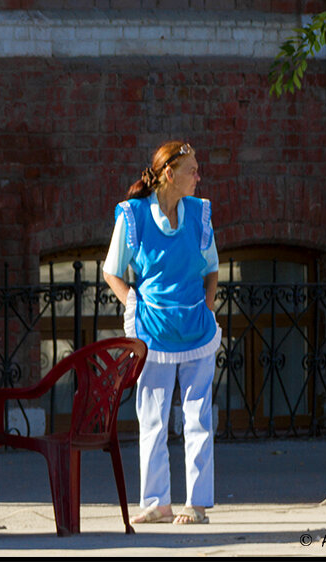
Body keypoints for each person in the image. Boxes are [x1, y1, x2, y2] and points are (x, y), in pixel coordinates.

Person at [102, 140, 220, 525]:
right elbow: (112, 271)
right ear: (170, 173)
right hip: (153, 328)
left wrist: (208, 304)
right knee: (152, 416)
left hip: (195, 330)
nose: (198, 176)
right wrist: (131, 303)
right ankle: (156, 502)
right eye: (192, 170)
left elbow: (211, 267)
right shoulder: (132, 216)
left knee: (198, 417)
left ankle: (196, 504)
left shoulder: (199, 213)